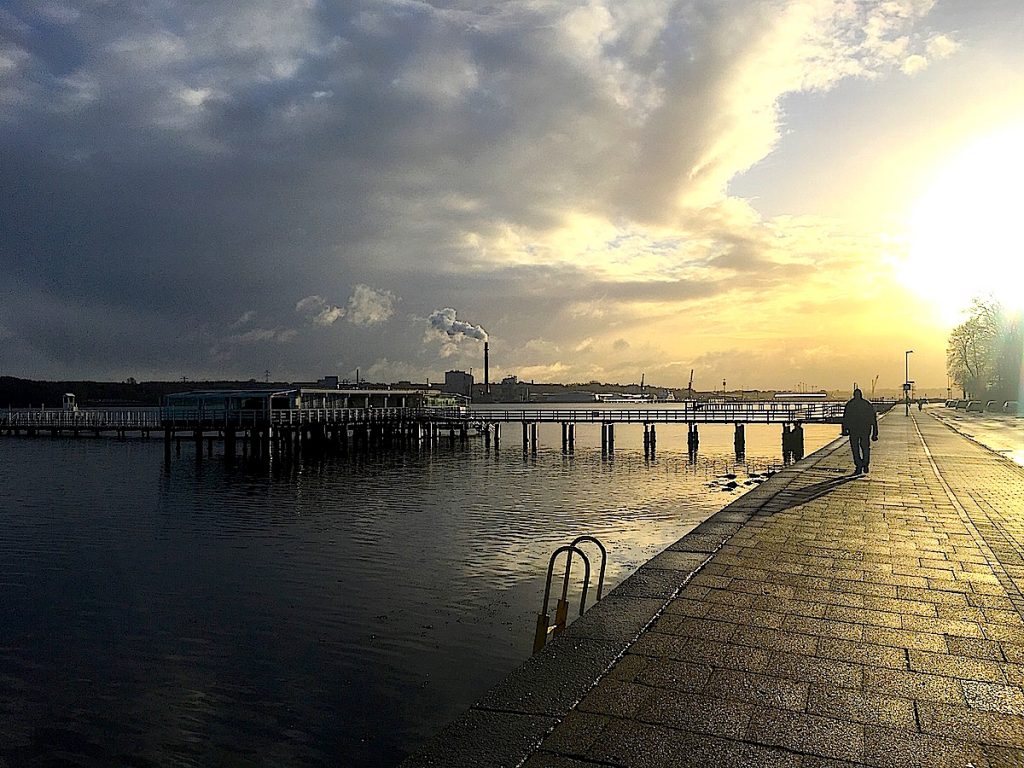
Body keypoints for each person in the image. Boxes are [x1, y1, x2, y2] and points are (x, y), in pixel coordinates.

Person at [842, 388, 878, 475]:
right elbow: (873, 419)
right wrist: (875, 432)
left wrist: (844, 430)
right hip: (864, 430)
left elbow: (845, 418)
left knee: (856, 448)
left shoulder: (850, 404)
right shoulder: (866, 404)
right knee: (864, 448)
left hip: (854, 430)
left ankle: (859, 465)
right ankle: (864, 464)